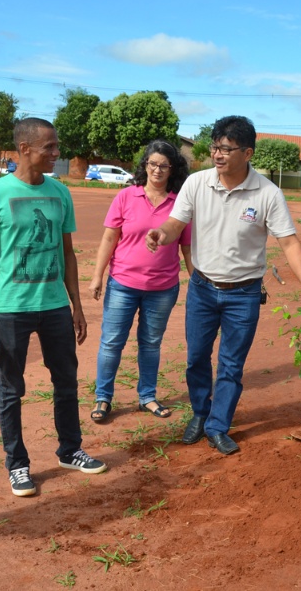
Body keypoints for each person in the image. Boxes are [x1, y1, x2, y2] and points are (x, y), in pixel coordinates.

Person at [146, 115, 301, 456]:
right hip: (203, 288)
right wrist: (161, 234)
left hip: (244, 294)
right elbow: (176, 223)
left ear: (247, 152)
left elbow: (290, 243)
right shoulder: (197, 183)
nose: (218, 155)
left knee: (231, 365)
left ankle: (217, 425)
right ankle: (199, 412)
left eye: (226, 148)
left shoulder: (268, 194)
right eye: (215, 147)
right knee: (196, 357)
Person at [0, 117, 107, 498]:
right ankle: (17, 465)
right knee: (11, 389)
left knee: (66, 381)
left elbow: (67, 253)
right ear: (25, 149)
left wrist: (76, 306)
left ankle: (70, 450)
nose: (56, 153)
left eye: (55, 145)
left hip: (54, 307)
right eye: (49, 147)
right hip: (12, 308)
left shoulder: (60, 193)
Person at [88, 140, 193, 422]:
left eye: (164, 165)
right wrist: (98, 276)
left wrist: (196, 281)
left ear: (173, 169)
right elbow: (110, 237)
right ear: (144, 165)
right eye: (153, 164)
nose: (157, 170)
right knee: (111, 342)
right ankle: (103, 397)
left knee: (150, 343)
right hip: (122, 283)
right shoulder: (125, 197)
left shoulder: (180, 202)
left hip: (162, 289)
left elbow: (186, 247)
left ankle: (147, 396)